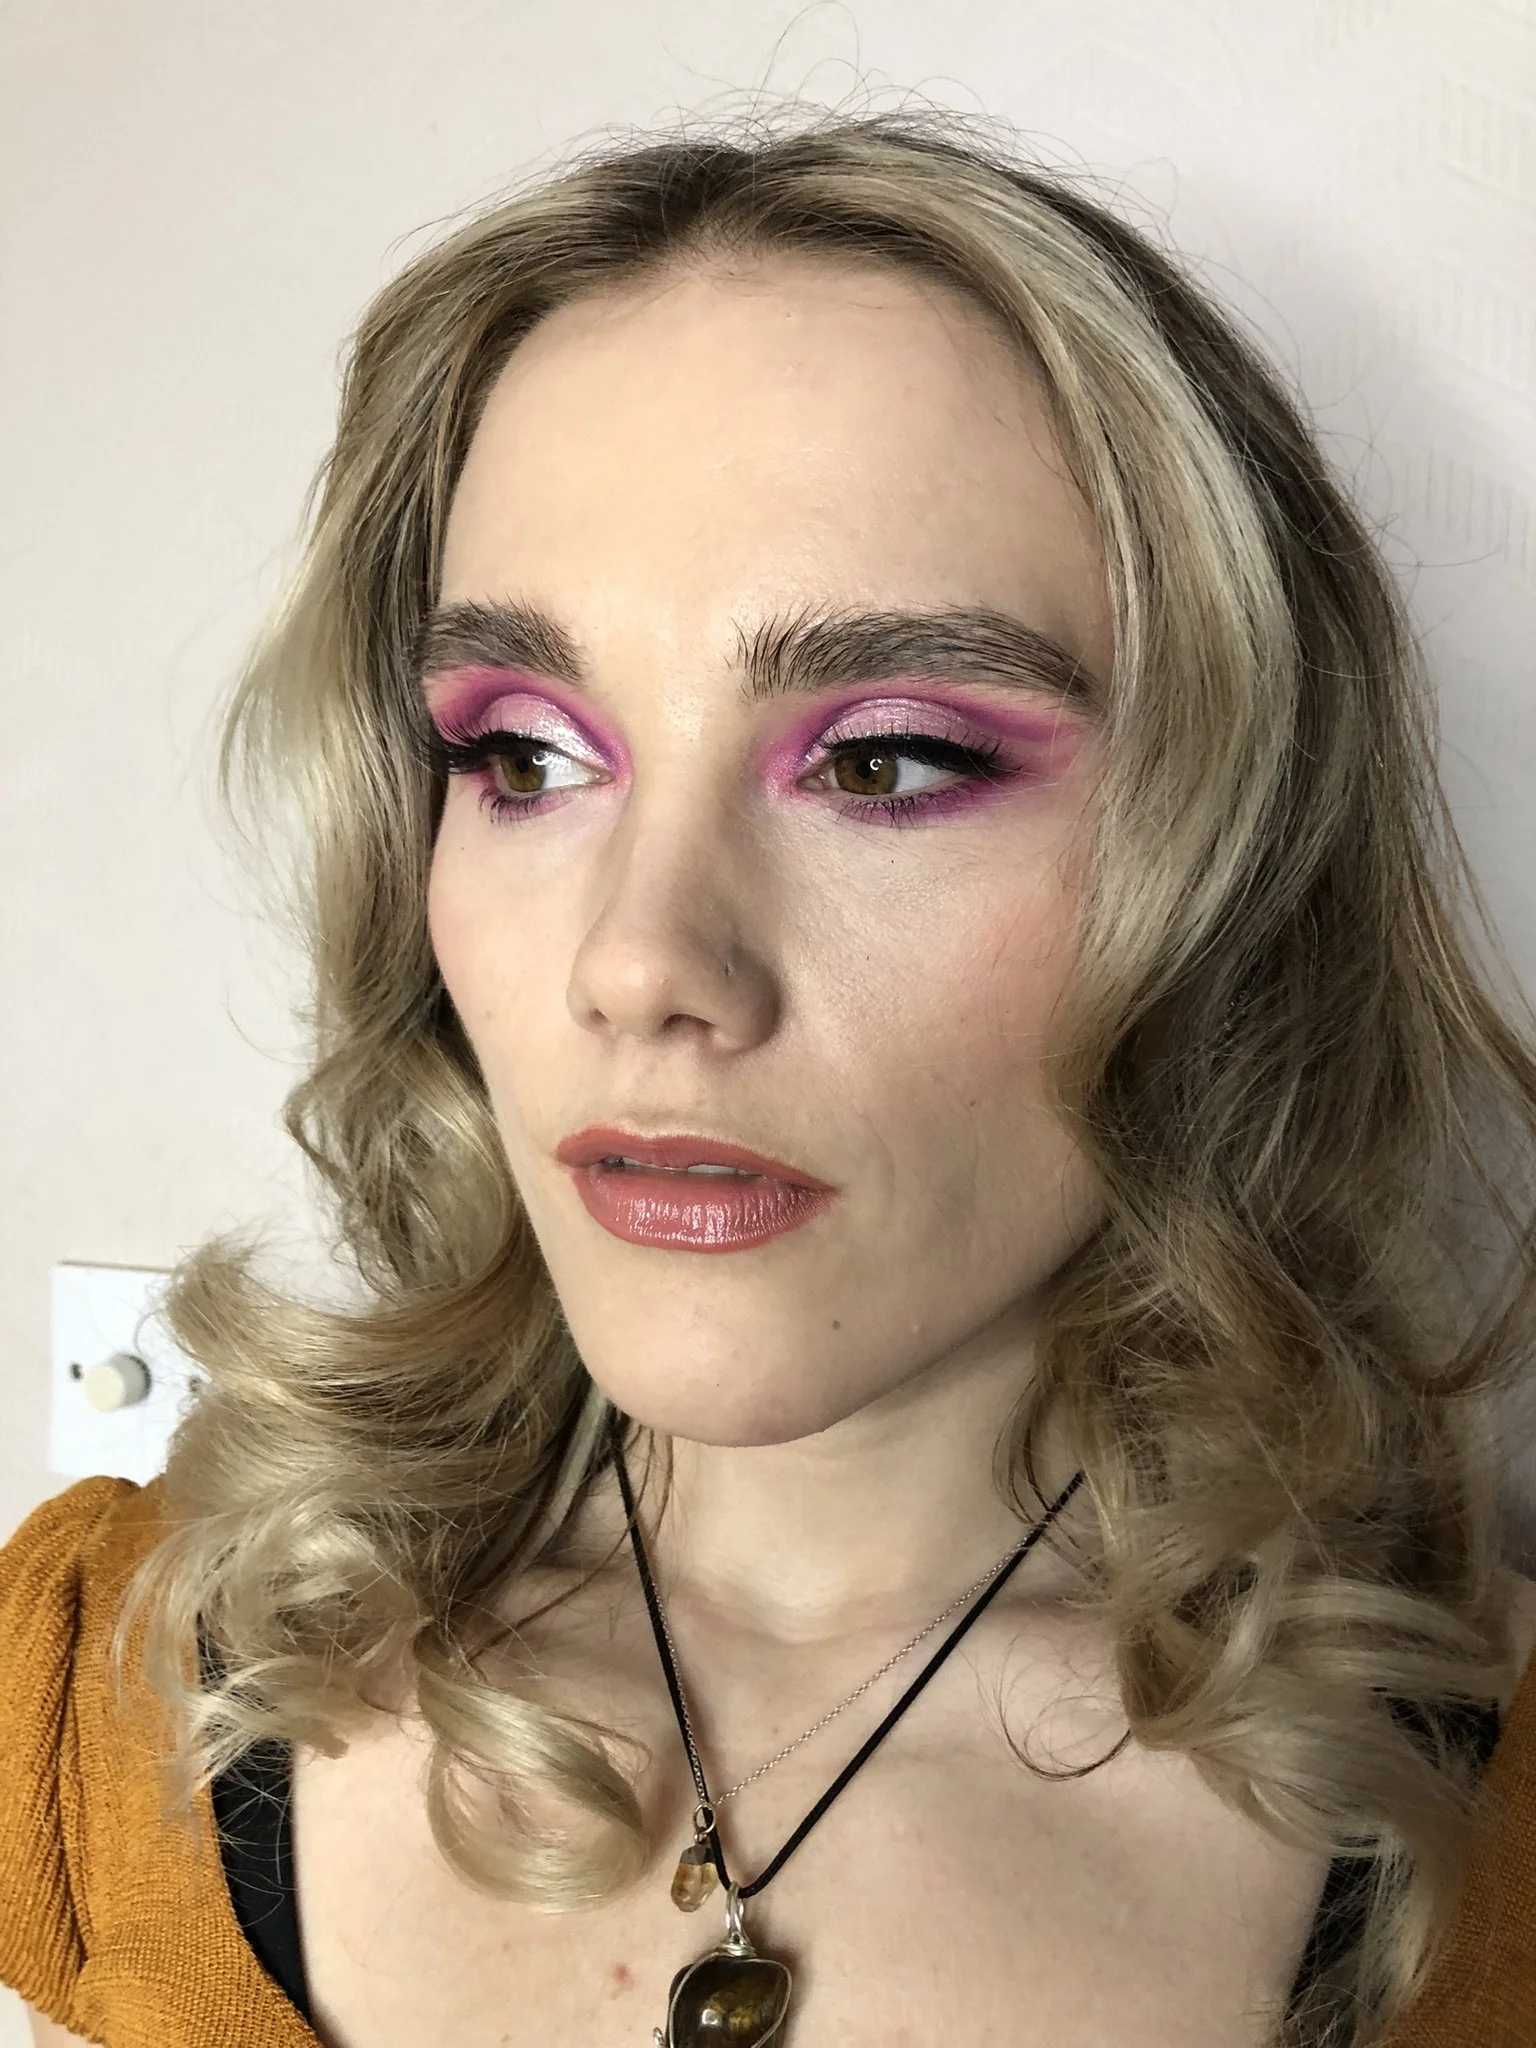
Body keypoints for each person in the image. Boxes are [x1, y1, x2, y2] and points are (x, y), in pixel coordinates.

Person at [3, 109, 1535, 2048]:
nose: (640, 961)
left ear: (1227, 858)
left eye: (885, 757)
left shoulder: (1489, 1865)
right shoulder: (107, 1706)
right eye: (528, 756)